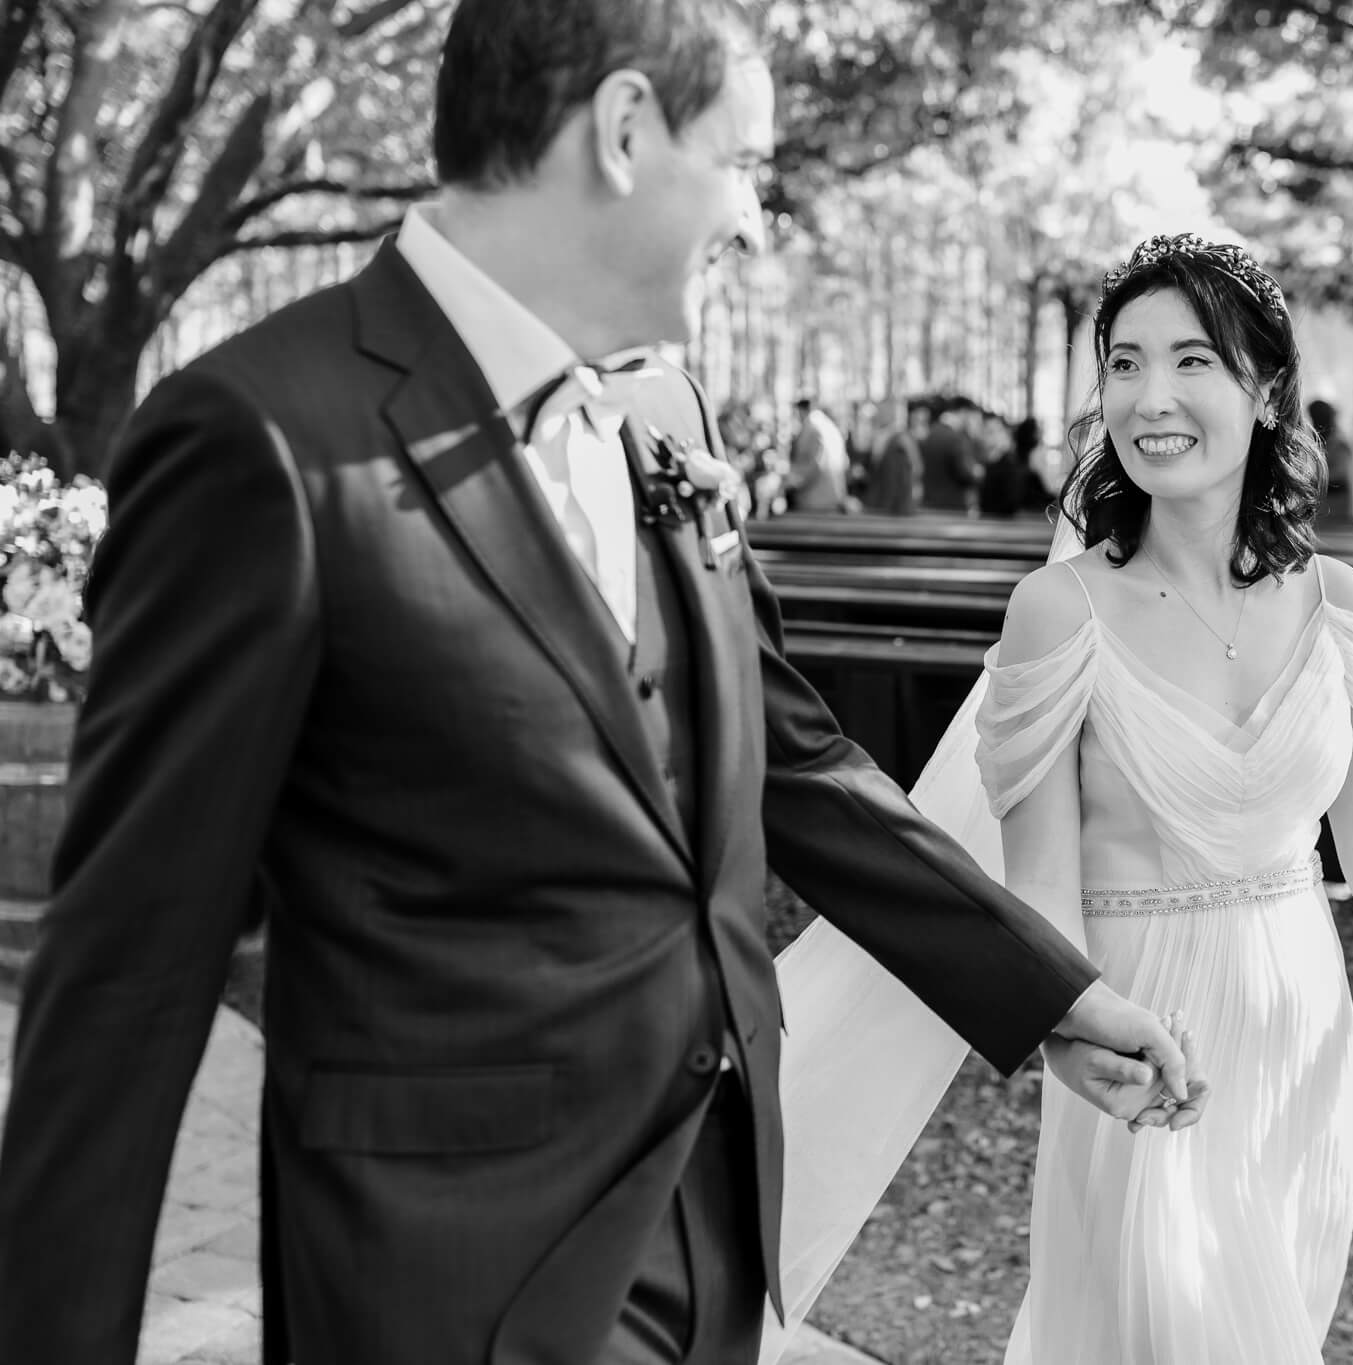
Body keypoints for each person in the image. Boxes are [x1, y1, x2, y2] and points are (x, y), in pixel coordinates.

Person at [0, 5, 1201, 1363]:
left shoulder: (659, 432)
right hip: (445, 1287)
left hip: (704, 1255)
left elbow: (792, 765)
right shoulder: (263, 442)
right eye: (741, 162)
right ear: (626, 131)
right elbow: (124, 987)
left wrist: (1045, 992)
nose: (752, 219)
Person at [987, 235, 1353, 1358]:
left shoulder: (1334, 602)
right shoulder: (1057, 611)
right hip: (1146, 1046)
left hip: (1304, 1049)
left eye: (1191, 361)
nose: (1150, 397)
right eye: (1123, 364)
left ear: (1266, 388)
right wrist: (1066, 1037)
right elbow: (1035, 879)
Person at [917, 395, 984, 512]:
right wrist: (979, 472)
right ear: (963, 412)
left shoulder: (931, 432)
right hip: (951, 506)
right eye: (971, 416)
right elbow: (965, 473)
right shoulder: (955, 438)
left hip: (929, 503)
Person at [785, 397, 852, 512]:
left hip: (816, 496)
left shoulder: (813, 429)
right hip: (831, 494)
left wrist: (791, 483)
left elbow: (814, 464)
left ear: (800, 410)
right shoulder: (828, 425)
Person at [1309, 397, 1353, 521]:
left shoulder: (1340, 442)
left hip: (1341, 505)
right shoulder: (1322, 439)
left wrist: (1312, 478)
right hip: (1327, 505)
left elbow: (1341, 473)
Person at [865, 397, 923, 516]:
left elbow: (915, 470)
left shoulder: (901, 440)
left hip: (895, 506)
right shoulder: (884, 437)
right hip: (885, 503)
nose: (878, 416)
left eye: (881, 412)